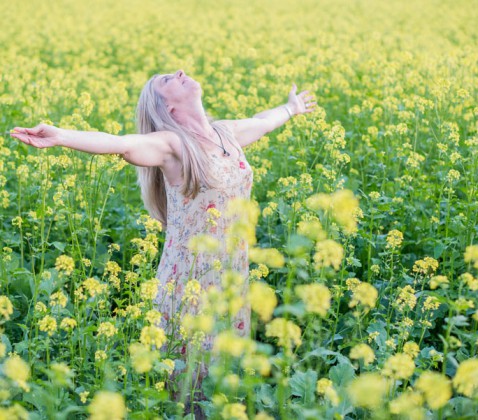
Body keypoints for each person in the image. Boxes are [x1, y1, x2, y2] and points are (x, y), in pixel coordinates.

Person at [10, 69, 317, 413]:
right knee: (191, 382)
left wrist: (290, 109)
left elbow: (263, 121)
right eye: (167, 78)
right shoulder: (172, 146)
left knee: (227, 379)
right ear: (167, 108)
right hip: (191, 282)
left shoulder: (226, 133)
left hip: (232, 275)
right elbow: (121, 143)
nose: (181, 72)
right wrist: (60, 136)